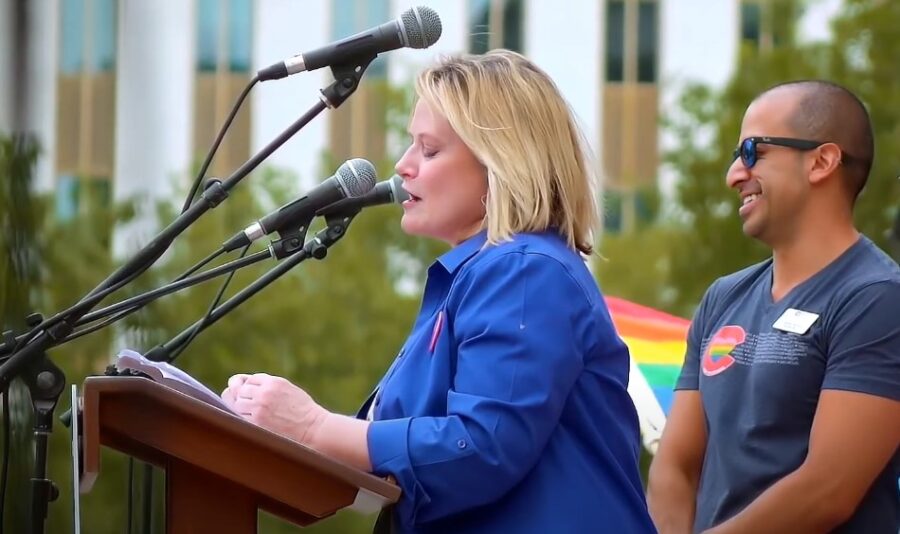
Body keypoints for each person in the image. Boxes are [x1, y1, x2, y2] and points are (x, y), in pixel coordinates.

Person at [221, 50, 656, 533]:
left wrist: (314, 426)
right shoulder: (483, 274)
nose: (403, 167)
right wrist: (283, 429)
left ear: (502, 164)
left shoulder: (524, 270)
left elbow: (482, 446)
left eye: (428, 150)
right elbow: (402, 460)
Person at [647, 80, 900, 534]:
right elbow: (676, 469)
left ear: (822, 162)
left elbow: (828, 491)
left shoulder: (878, 299)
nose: (733, 175)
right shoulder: (723, 298)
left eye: (751, 152)